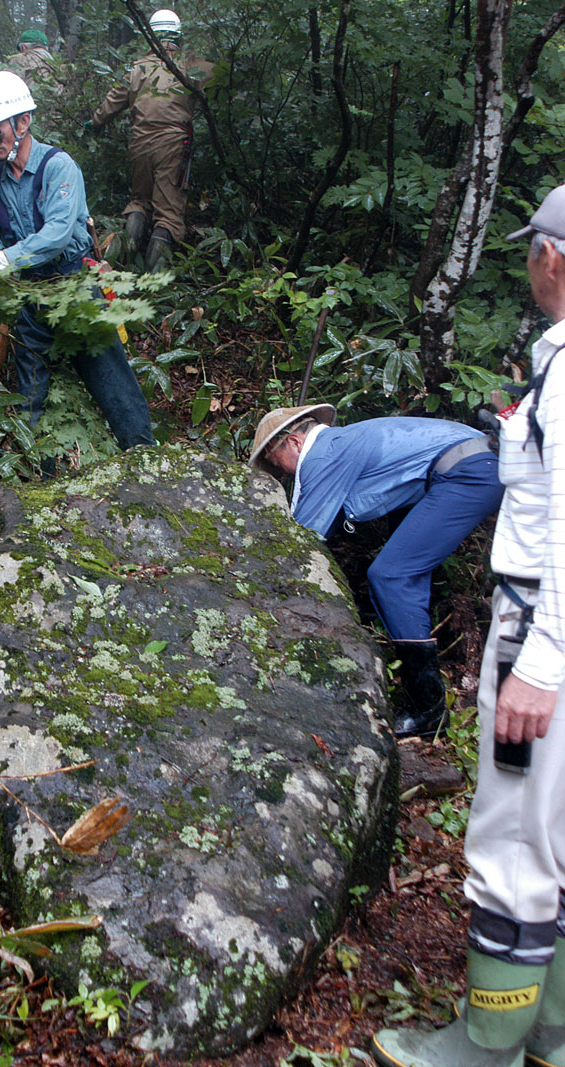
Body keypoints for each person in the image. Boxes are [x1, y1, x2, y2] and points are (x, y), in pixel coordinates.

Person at [370, 186, 565, 1067]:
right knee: (557, 827)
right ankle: (551, 1033)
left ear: (550, 256)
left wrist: (540, 662)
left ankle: (486, 1047)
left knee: (514, 833)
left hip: (540, 625)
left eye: (531, 251)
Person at [249, 404, 503, 737]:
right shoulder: (345, 441)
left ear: (294, 443)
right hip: (479, 461)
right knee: (400, 564)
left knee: (391, 576)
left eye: (274, 462)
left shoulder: (322, 454)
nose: (281, 473)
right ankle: (422, 676)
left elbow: (301, 538)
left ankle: (429, 711)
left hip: (467, 471)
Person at [0, 70, 154, 452]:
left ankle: (143, 455)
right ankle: (39, 467)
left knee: (112, 382)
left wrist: (5, 258)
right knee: (31, 396)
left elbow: (57, 233)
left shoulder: (58, 167)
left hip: (76, 290)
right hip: (31, 296)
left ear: (23, 123)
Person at [88, 8, 215, 269]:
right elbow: (225, 78)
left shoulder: (138, 68)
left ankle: (123, 265)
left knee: (139, 200)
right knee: (168, 212)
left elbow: (113, 101)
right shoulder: (191, 65)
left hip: (140, 143)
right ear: (177, 35)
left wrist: (95, 122)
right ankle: (154, 282)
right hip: (174, 144)